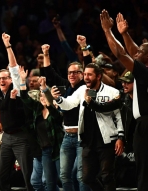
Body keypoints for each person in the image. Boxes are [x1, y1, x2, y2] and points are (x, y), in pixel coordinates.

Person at [52, 63, 124, 191]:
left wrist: (120, 137)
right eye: (85, 74)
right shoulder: (81, 90)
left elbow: (118, 116)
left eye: (89, 74)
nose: (86, 77)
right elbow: (69, 104)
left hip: (107, 140)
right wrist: (58, 99)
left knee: (107, 176)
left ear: (99, 76)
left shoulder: (112, 92)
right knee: (86, 177)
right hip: (87, 141)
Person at [100, 10, 148, 191]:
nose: (135, 53)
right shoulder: (145, 68)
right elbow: (136, 51)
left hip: (145, 125)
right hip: (143, 123)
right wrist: (124, 33)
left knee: (144, 170)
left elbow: (121, 54)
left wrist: (107, 31)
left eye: (139, 53)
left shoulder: (144, 72)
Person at [0, 33, 33, 191]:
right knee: (0, 178)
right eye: (0, 78)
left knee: (28, 177)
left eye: (5, 78)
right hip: (7, 138)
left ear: (11, 79)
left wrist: (8, 45)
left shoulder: (16, 87)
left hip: (21, 137)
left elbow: (14, 67)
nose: (2, 80)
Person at [41, 43, 90, 191]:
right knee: (64, 176)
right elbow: (49, 73)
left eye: (75, 72)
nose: (71, 75)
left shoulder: (86, 87)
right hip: (67, 136)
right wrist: (46, 54)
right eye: (69, 72)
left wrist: (83, 47)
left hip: (83, 137)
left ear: (82, 74)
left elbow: (90, 67)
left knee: (81, 176)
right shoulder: (66, 86)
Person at [20, 68, 64, 191]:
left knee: (63, 179)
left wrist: (45, 88)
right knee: (48, 184)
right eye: (41, 96)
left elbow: (53, 109)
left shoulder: (55, 112)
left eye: (45, 96)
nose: (43, 98)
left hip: (58, 149)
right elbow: (25, 98)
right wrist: (23, 80)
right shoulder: (37, 110)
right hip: (44, 151)